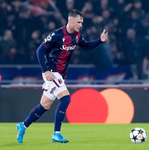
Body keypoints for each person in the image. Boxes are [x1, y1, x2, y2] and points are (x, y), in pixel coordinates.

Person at [16, 9, 108, 143]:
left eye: (81, 22)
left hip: (60, 75)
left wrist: (100, 40)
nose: (81, 25)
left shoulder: (76, 36)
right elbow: (39, 51)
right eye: (79, 22)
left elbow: (87, 45)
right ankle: (56, 134)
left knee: (44, 106)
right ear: (70, 20)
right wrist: (45, 71)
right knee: (65, 99)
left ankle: (23, 126)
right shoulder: (57, 34)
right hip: (51, 73)